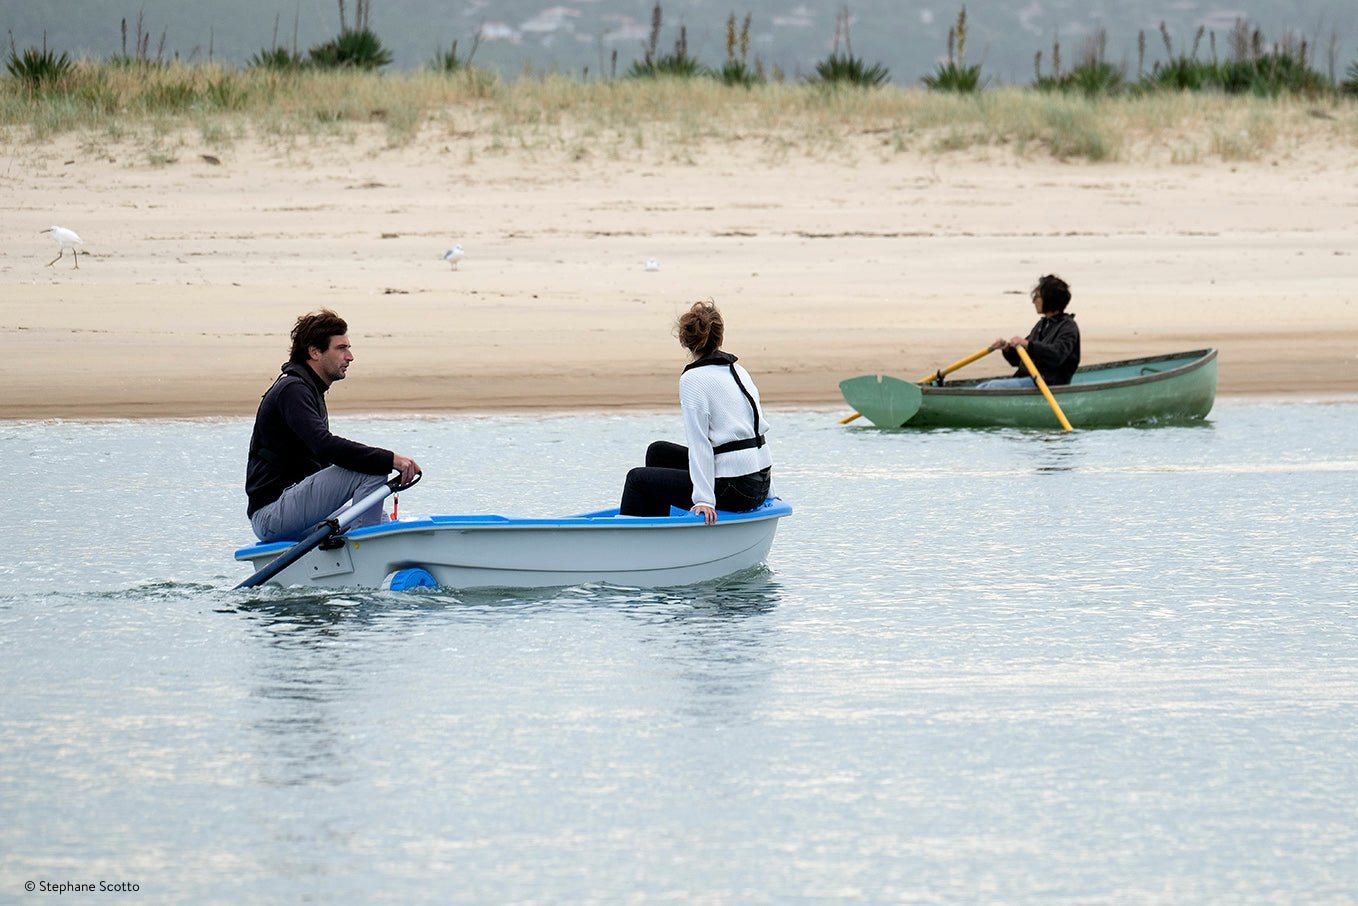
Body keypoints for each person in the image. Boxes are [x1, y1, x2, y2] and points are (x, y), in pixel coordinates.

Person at [245, 309, 420, 543]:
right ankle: (366, 547)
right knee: (372, 467)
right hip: (272, 515)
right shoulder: (293, 390)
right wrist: (390, 459)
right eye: (341, 348)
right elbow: (324, 446)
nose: (350, 356)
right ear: (315, 352)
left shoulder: (308, 389)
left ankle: (361, 553)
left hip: (292, 513)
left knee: (380, 519)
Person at [619, 300, 773, 525]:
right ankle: (661, 527)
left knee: (637, 479)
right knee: (658, 452)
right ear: (719, 338)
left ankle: (633, 547)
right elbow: (758, 433)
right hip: (759, 483)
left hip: (736, 490)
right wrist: (769, 493)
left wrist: (704, 500)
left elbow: (700, 443)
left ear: (685, 341)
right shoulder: (739, 371)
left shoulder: (693, 379)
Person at [977, 274, 1081, 389]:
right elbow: (1019, 360)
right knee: (983, 386)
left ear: (1049, 298)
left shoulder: (1068, 327)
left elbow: (1056, 355)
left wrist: (1028, 345)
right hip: (1028, 379)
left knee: (992, 386)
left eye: (1037, 296)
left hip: (1047, 382)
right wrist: (1007, 348)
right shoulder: (1042, 324)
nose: (1033, 301)